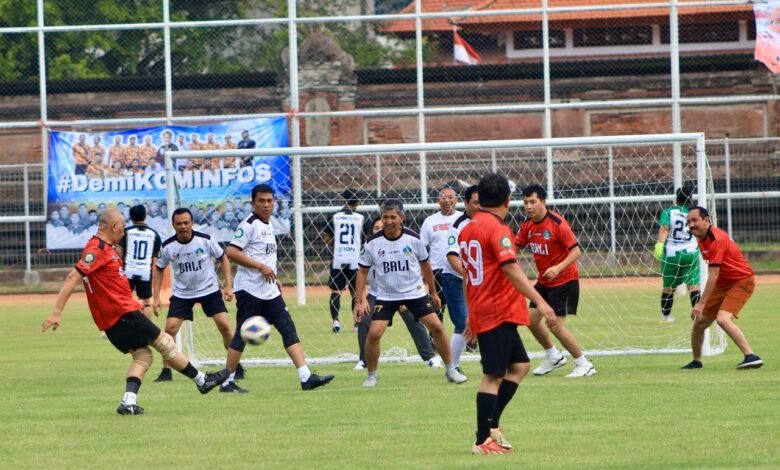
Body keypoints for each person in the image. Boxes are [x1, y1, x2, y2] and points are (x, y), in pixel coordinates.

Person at [41, 208, 230, 415]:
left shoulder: (107, 248)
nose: (124, 233)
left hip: (113, 319)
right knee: (165, 343)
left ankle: (128, 402)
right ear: (113, 227)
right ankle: (202, 380)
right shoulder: (97, 249)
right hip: (122, 314)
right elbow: (72, 277)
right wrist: (56, 312)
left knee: (143, 357)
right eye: (122, 228)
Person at [458, 173, 557, 455]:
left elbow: (468, 275)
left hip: (487, 307)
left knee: (520, 367)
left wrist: (469, 312)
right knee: (493, 375)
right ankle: (481, 440)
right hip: (496, 309)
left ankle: (492, 424)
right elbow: (510, 268)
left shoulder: (468, 228)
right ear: (507, 200)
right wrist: (541, 301)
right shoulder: (497, 228)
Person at [221, 184, 334, 393]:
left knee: (287, 327)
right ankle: (227, 383)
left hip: (269, 290)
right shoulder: (249, 224)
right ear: (253, 203)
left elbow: (263, 255)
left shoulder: (268, 224)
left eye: (269, 201)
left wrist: (272, 275)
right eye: (261, 201)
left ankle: (306, 376)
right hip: (249, 290)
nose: (266, 205)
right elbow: (232, 252)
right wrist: (261, 267)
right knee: (242, 334)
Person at [353, 199, 468, 388]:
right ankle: (371, 376)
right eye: (385, 217)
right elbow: (363, 271)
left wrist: (433, 292)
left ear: (401, 218)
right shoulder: (372, 243)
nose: (389, 221)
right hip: (386, 295)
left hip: (414, 293)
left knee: (437, 327)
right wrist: (359, 300)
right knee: (373, 334)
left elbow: (426, 266)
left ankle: (450, 369)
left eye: (393, 217)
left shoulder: (414, 239)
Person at [514, 184, 596, 378]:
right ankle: (553, 356)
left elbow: (576, 251)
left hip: (564, 281)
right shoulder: (527, 226)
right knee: (530, 320)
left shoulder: (557, 223)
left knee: (555, 326)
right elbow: (515, 248)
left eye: (533, 202)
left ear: (543, 202)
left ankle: (584, 364)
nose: (528, 206)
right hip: (544, 282)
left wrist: (558, 267)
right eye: (525, 202)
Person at [151, 208, 240, 383]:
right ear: (173, 225)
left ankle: (234, 367)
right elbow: (159, 269)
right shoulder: (168, 246)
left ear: (192, 223)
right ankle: (166, 371)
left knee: (224, 325)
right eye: (179, 224)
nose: (183, 226)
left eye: (186, 222)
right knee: (169, 329)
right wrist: (156, 298)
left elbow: (223, 258)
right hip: (182, 293)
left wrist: (229, 286)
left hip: (209, 289)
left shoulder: (205, 240)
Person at [681, 206, 763, 370]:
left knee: (723, 319)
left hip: (741, 281)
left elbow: (714, 275)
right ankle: (696, 361)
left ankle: (751, 355)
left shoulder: (716, 239)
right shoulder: (700, 237)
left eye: (695, 220)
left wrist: (701, 302)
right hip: (723, 283)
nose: (691, 225)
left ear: (707, 220)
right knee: (700, 323)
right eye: (688, 222)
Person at [354, 217, 439, 370]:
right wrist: (362, 299)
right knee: (365, 319)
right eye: (376, 228)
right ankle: (363, 360)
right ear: (371, 231)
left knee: (414, 318)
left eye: (382, 227)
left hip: (405, 294)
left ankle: (430, 357)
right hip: (378, 294)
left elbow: (421, 268)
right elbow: (361, 275)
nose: (380, 229)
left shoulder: (405, 243)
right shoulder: (370, 246)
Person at [442, 184, 479, 370]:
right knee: (463, 322)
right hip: (455, 280)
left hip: (480, 282)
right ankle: (453, 367)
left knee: (489, 321)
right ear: (465, 203)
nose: (480, 206)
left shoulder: (489, 222)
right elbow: (451, 255)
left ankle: (492, 360)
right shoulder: (458, 226)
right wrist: (467, 274)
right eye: (476, 203)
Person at [654, 185, 701, 323]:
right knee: (694, 286)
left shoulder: (669, 212)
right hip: (691, 252)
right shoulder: (694, 213)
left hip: (672, 254)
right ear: (691, 199)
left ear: (677, 198)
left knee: (669, 288)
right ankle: (697, 316)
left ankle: (666, 317)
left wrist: (659, 245)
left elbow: (664, 229)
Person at [321, 189, 365, 333]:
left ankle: (335, 321)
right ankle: (357, 325)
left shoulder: (334, 217)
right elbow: (365, 239)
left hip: (338, 258)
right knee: (355, 293)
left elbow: (326, 238)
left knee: (336, 291)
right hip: (355, 259)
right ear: (358, 202)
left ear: (343, 200)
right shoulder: (362, 218)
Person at [420, 186, 463, 324]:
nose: (447, 200)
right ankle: (434, 342)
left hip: (458, 271)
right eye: (443, 197)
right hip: (436, 271)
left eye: (450, 197)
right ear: (438, 200)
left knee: (460, 309)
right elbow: (422, 247)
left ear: (456, 199)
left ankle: (468, 340)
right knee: (436, 309)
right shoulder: (430, 221)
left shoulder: (463, 219)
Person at [118, 205, 162, 319]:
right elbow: (156, 257)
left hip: (128, 271)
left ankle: (124, 328)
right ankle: (146, 330)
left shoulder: (126, 232)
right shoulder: (154, 234)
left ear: (131, 217)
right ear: (145, 216)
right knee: (146, 302)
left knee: (123, 299)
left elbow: (119, 252)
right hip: (145, 272)